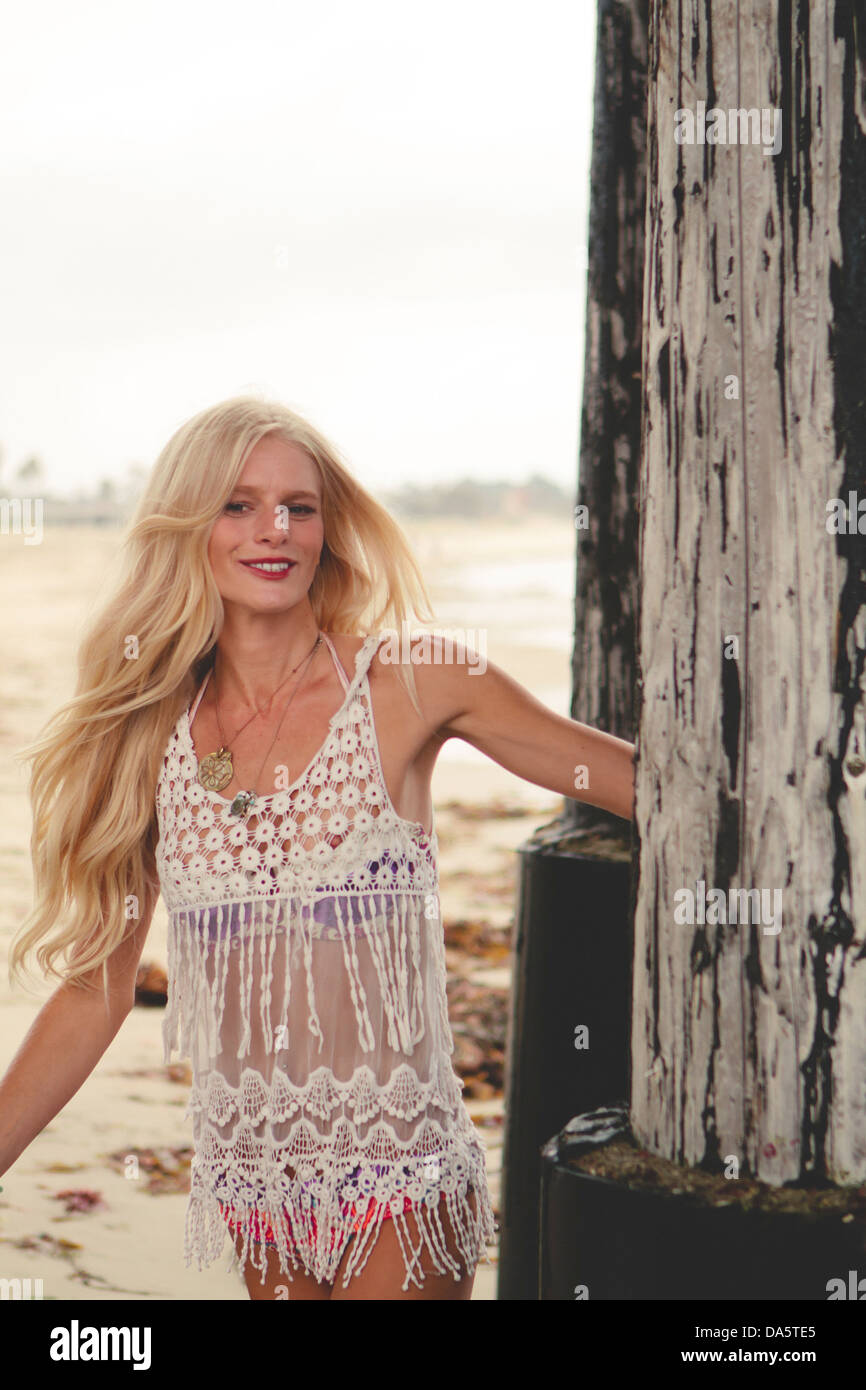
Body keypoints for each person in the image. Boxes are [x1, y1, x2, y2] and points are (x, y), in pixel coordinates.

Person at [0, 394, 635, 1301]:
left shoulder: (415, 682)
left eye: (299, 506)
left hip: (401, 1179)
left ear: (328, 528)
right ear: (189, 528)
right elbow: (99, 982)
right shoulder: (148, 736)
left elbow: (644, 789)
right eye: (239, 504)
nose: (276, 530)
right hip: (256, 1187)